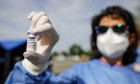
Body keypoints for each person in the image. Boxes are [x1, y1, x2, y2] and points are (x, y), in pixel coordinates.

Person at [5, 6, 140, 84]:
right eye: (103, 29)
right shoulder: (79, 72)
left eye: (118, 28)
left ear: (132, 37)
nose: (110, 34)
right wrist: (32, 69)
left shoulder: (136, 76)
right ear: (96, 36)